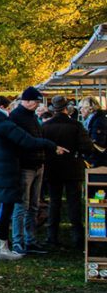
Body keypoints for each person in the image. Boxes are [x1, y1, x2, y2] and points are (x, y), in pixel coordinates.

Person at [0, 93, 64, 260]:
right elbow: (27, 141)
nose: (10, 111)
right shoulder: (5, 125)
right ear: (2, 108)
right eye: (8, 108)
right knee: (7, 207)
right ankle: (3, 246)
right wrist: (50, 145)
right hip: (7, 170)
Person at [41, 96, 96, 248]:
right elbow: (87, 147)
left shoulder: (46, 126)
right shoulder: (76, 125)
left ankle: (52, 236)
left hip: (52, 168)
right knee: (74, 203)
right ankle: (77, 237)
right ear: (67, 108)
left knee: (54, 202)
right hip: (73, 168)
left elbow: (42, 145)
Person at [9, 86, 50, 255]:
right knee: (22, 205)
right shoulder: (17, 117)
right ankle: (18, 241)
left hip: (38, 164)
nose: (37, 105)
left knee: (33, 205)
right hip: (25, 166)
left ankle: (30, 239)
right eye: (35, 102)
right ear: (26, 101)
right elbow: (22, 142)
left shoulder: (32, 117)